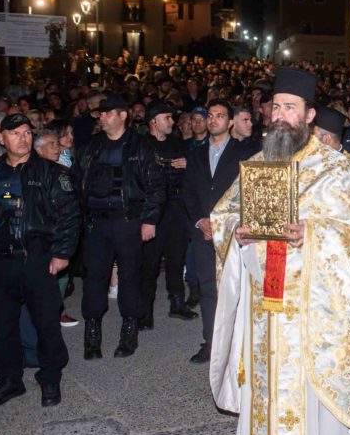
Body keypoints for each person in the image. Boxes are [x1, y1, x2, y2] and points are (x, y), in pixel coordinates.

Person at [207, 68, 350, 435]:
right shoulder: (258, 165)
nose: (280, 116)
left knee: (304, 399)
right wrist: (237, 232)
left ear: (309, 115)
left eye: (291, 108)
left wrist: (313, 234)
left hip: (310, 314)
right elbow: (224, 216)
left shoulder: (336, 170)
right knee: (265, 390)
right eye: (276, 107)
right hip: (263, 310)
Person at [0, 114, 81, 407]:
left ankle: (50, 377)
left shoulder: (50, 172)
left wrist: (62, 253)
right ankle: (10, 379)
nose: (22, 138)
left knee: (46, 323)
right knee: (2, 325)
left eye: (26, 133)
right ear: (2, 138)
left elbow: (70, 215)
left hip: (36, 259)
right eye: (15, 133)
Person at [72, 96, 165, 360]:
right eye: (100, 114)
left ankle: (129, 330)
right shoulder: (91, 147)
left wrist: (149, 220)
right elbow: (78, 182)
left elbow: (157, 186)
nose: (101, 117)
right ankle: (92, 333)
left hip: (128, 222)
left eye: (107, 113)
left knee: (130, 277)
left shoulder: (141, 146)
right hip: (96, 223)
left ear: (123, 115)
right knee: (94, 278)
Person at [181, 99, 253, 364]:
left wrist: (228, 223)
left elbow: (248, 193)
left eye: (220, 116)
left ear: (230, 122)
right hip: (203, 232)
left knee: (236, 288)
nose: (213, 120)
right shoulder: (196, 154)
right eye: (210, 115)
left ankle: (237, 344)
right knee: (208, 288)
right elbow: (187, 190)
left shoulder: (245, 153)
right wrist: (200, 220)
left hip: (233, 233)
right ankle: (212, 343)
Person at [140, 102, 198, 329]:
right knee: (149, 263)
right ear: (154, 121)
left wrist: (188, 165)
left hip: (176, 209)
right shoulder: (141, 145)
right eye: (167, 118)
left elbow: (197, 173)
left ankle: (177, 303)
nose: (172, 122)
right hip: (153, 211)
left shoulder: (178, 144)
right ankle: (145, 312)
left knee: (176, 259)